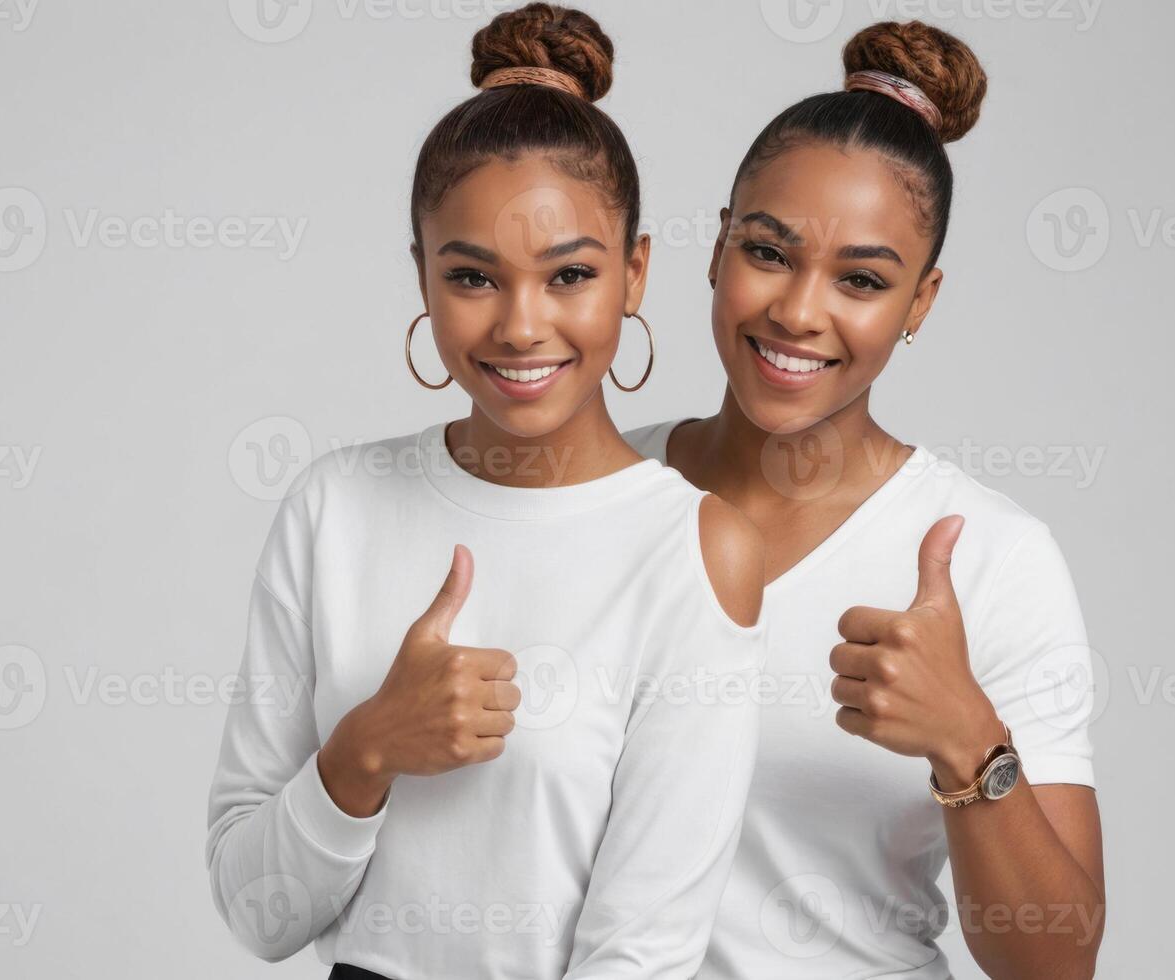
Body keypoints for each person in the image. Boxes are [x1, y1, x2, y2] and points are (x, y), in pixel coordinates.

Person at [205, 5, 768, 978]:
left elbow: (642, 950)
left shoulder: (693, 548)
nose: (519, 324)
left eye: (568, 275)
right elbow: (257, 913)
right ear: (422, 276)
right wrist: (364, 749)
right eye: (472, 275)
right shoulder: (333, 505)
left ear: (632, 274)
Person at [624, 20, 1105, 979]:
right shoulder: (598, 493)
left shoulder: (989, 558)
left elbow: (1055, 962)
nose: (800, 311)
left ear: (918, 304)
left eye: (861, 280)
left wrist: (966, 739)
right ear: (716, 247)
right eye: (768, 251)